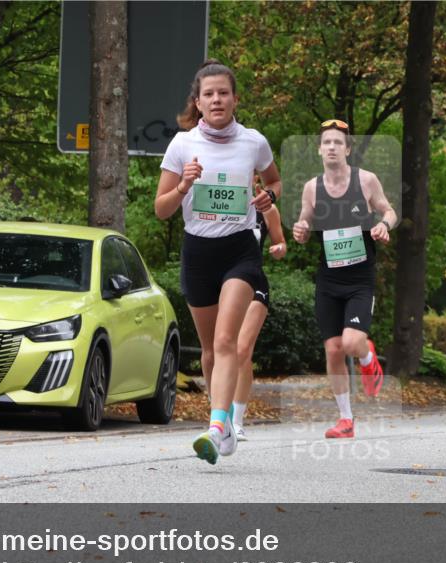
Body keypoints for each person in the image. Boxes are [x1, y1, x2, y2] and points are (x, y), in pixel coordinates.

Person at [155, 60, 281, 465]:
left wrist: (269, 197)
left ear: (235, 99)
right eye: (208, 94)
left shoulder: (254, 142)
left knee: (228, 341)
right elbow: (161, 209)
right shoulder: (182, 145)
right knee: (209, 350)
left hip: (240, 251)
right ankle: (223, 424)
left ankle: (215, 426)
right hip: (198, 252)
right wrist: (184, 185)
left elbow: (274, 181)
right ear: (198, 102)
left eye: (223, 93)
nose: (216, 100)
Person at [292, 119, 396, 439]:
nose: (332, 147)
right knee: (334, 349)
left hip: (360, 279)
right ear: (319, 149)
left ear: (348, 149)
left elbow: (389, 211)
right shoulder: (312, 188)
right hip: (328, 279)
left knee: (351, 343)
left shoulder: (366, 181)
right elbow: (304, 222)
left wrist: (384, 226)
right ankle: (346, 419)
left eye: (338, 142)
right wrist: (300, 230)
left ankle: (367, 356)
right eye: (327, 142)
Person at [232, 202, 287, 440]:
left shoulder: (267, 209)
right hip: (222, 283)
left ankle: (236, 421)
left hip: (254, 282)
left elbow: (281, 243)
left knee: (242, 350)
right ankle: (220, 416)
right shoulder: (222, 200)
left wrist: (279, 249)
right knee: (221, 349)